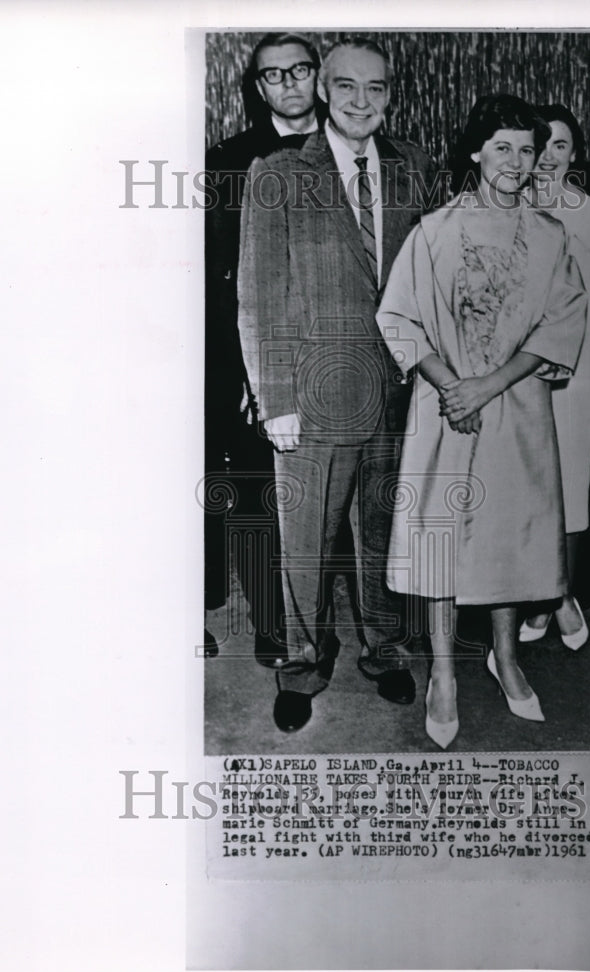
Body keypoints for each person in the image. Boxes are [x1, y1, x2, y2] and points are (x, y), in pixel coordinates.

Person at [238, 38, 438, 732]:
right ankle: (301, 664)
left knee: (382, 530)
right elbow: (260, 296)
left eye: (376, 89)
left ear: (390, 95)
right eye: (346, 87)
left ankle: (384, 651)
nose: (361, 102)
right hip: (312, 394)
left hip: (397, 388)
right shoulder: (278, 171)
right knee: (305, 543)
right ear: (322, 89)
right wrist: (277, 400)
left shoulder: (413, 168)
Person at [376, 94, 587, 748]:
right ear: (474, 152)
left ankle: (506, 656)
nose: (516, 162)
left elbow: (561, 322)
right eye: (502, 147)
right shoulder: (434, 231)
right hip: (444, 413)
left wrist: (488, 386)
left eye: (527, 150)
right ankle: (442, 673)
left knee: (511, 536)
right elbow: (399, 317)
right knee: (440, 539)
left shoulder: (550, 236)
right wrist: (450, 387)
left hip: (517, 409)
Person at [204, 33, 321, 667]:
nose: (290, 84)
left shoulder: (356, 150)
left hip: (340, 357)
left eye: (301, 69)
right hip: (260, 360)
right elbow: (222, 277)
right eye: (275, 76)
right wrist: (251, 377)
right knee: (257, 494)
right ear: (259, 88)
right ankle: (275, 631)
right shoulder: (229, 161)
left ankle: (326, 625)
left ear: (319, 76)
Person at [518, 104, 590, 650]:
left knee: (570, 484)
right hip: (518, 371)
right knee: (524, 483)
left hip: (576, 369)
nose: (549, 157)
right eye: (540, 144)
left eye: (561, 146)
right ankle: (534, 591)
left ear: (575, 154)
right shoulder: (505, 209)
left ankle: (562, 596)